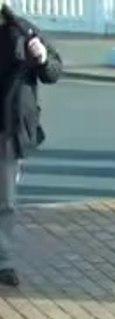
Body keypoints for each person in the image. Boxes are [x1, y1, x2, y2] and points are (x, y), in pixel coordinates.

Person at [0, 5, 61, 288]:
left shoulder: (23, 31)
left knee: (5, 200)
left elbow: (53, 71)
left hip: (8, 128)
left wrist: (43, 57)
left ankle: (3, 262)